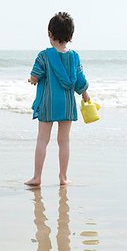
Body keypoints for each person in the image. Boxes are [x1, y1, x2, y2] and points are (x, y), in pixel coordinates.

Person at [25, 12, 90, 186]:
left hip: (48, 102)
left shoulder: (44, 56)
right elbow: (80, 81)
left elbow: (35, 76)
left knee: (42, 139)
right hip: (67, 104)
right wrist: (85, 96)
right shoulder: (74, 56)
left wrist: (32, 80)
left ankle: (37, 177)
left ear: (50, 33)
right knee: (64, 141)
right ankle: (63, 177)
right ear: (70, 36)